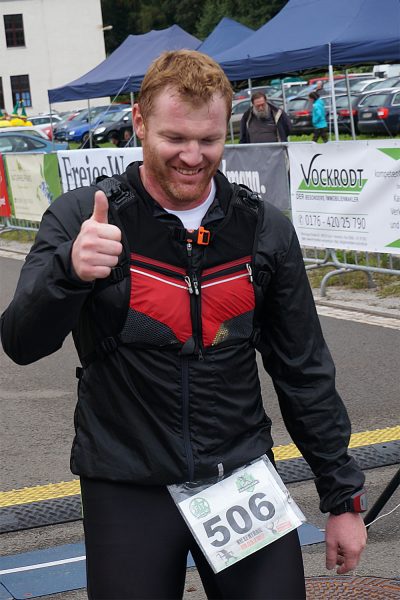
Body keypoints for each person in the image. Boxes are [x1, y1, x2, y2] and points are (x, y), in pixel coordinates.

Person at [1, 50, 367, 600]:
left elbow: (304, 369)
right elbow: (21, 343)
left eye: (210, 140)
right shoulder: (85, 217)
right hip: (128, 483)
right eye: (175, 139)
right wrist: (68, 272)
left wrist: (342, 499)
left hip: (239, 478)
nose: (193, 157)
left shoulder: (263, 230)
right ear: (140, 123)